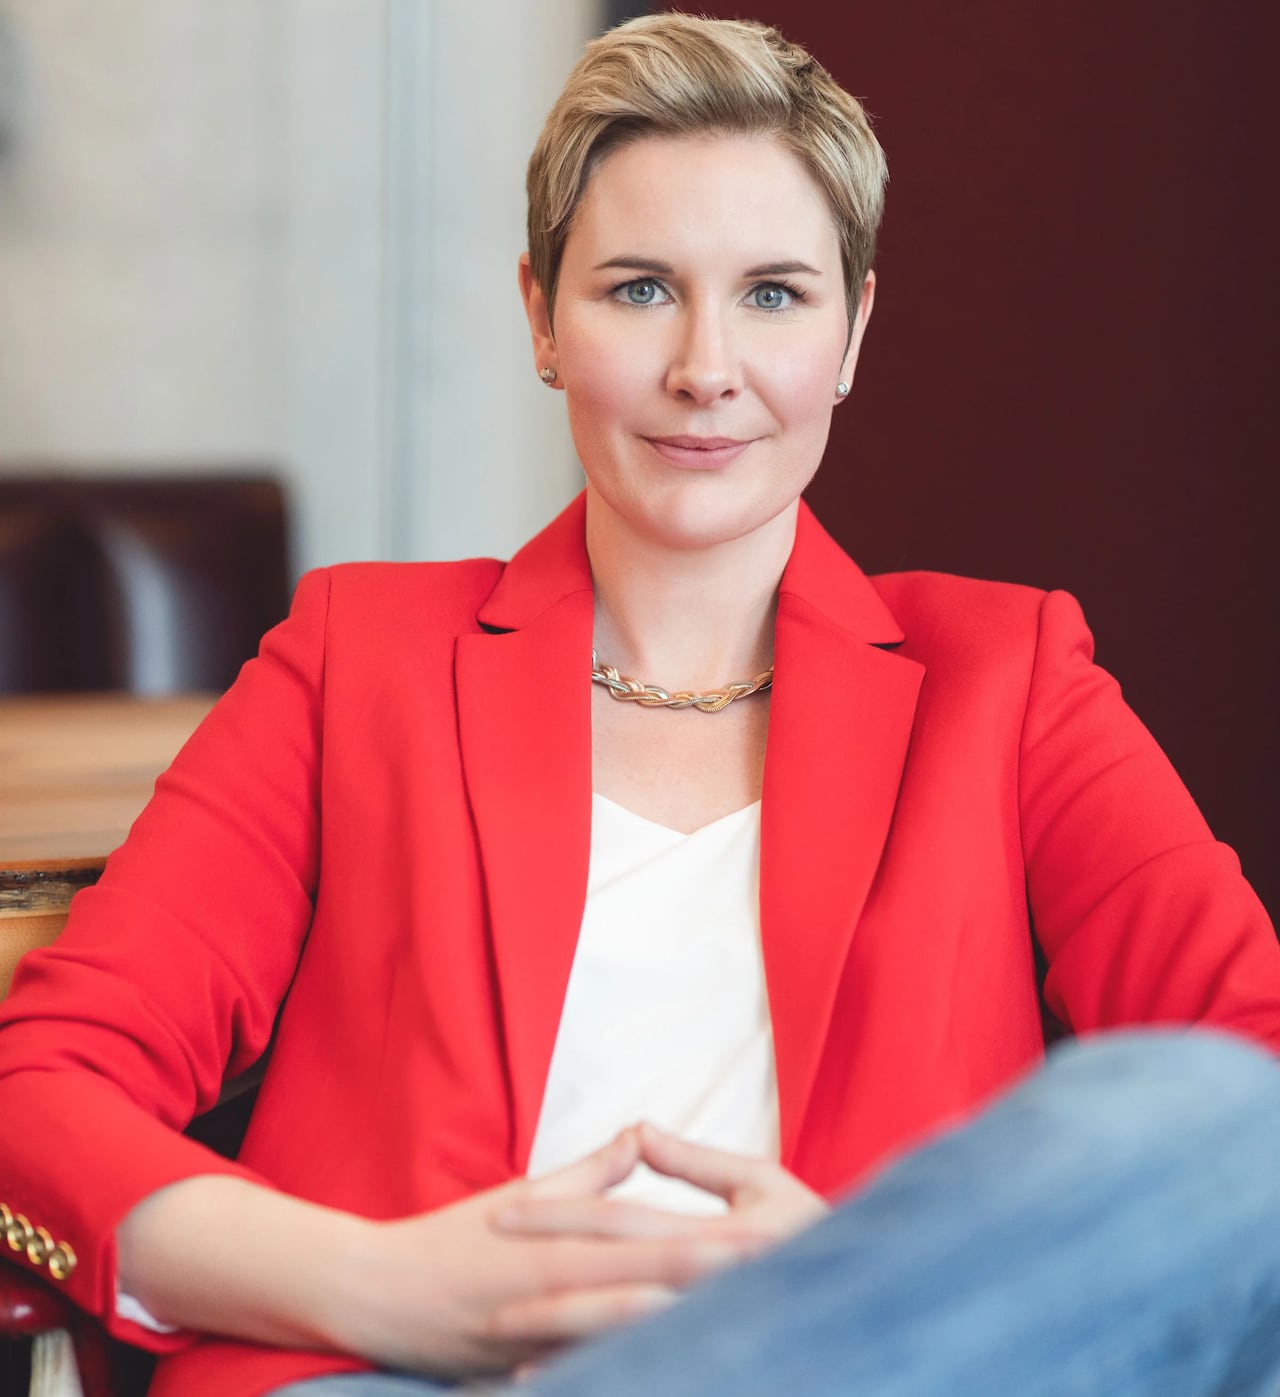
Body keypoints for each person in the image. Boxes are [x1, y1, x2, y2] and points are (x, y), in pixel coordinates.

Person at [1, 14, 1279, 1397]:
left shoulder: (1011, 678)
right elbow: (40, 1092)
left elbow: (1240, 1097)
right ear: (542, 318)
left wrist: (860, 1271)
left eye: (776, 294)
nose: (706, 368)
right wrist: (396, 1284)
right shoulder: (351, 657)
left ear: (854, 331)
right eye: (638, 289)